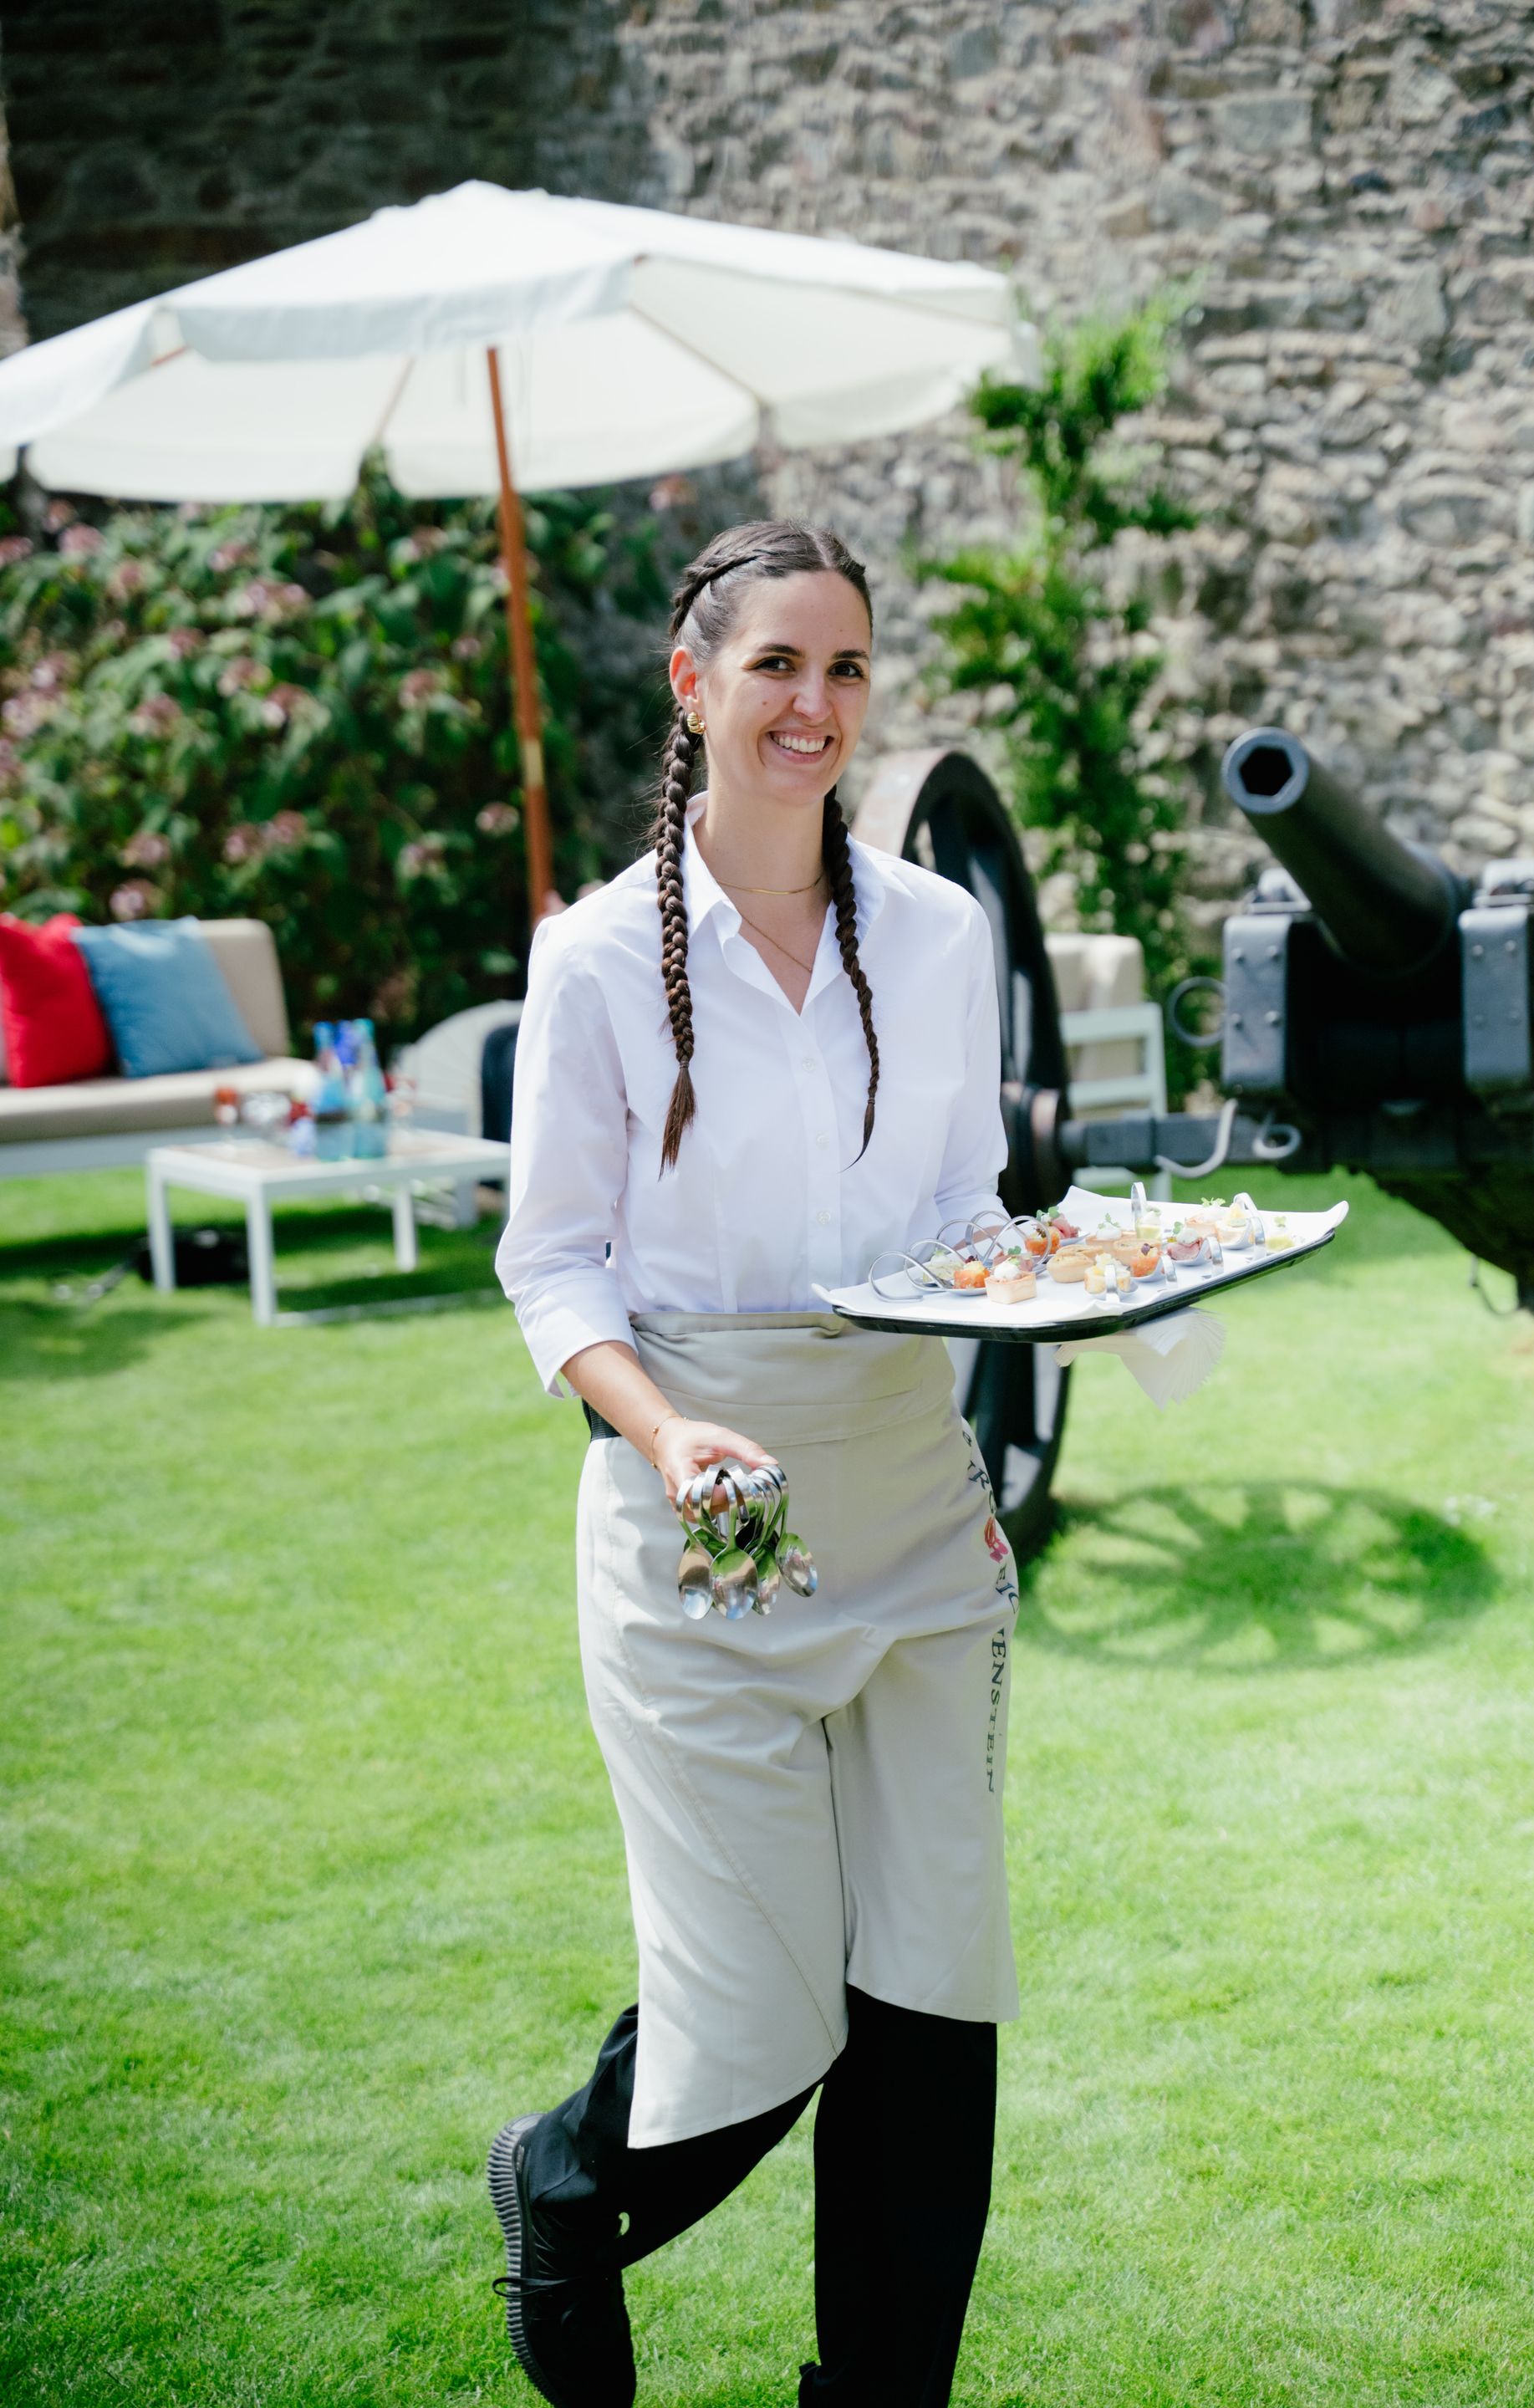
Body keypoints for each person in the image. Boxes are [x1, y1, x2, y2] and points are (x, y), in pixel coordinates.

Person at [490, 518, 1022, 2408]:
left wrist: (1065, 1280)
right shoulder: (594, 960)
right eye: (779, 663)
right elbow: (551, 1259)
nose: (817, 703)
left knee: (934, 1994)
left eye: (850, 668)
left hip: (906, 1477)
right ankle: (564, 2180)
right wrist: (665, 1425)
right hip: (702, 1503)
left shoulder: (942, 936)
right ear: (692, 684)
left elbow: (964, 1208)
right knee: (772, 2011)